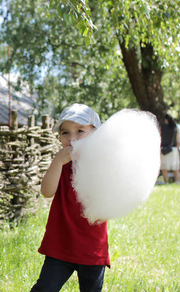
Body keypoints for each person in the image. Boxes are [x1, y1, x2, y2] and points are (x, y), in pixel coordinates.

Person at [31, 104, 110, 292]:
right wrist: (57, 162)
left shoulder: (103, 166)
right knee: (45, 288)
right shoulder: (61, 166)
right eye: (65, 132)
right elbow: (47, 191)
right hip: (60, 245)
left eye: (80, 131)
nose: (72, 138)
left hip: (92, 248)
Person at [160, 114, 180, 184]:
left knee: (164, 167)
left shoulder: (162, 127)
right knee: (175, 167)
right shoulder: (175, 128)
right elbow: (178, 141)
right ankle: (177, 181)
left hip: (164, 149)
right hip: (173, 149)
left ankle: (166, 182)